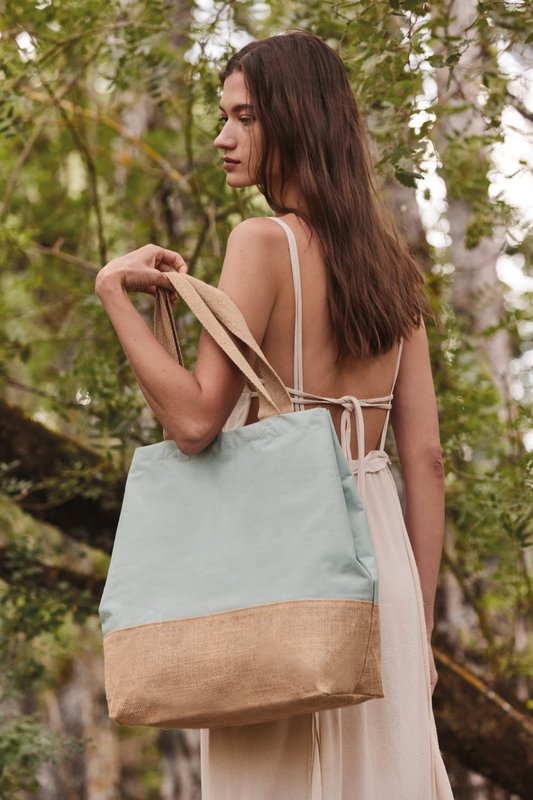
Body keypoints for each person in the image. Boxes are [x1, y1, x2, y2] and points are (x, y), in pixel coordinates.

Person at [96, 30, 454, 800]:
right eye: (223, 117)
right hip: (387, 581)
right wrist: (415, 629)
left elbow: (195, 422)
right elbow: (424, 461)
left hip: (284, 566)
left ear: (296, 119)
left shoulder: (260, 243)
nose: (222, 137)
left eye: (245, 117)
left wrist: (113, 294)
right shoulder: (395, 271)